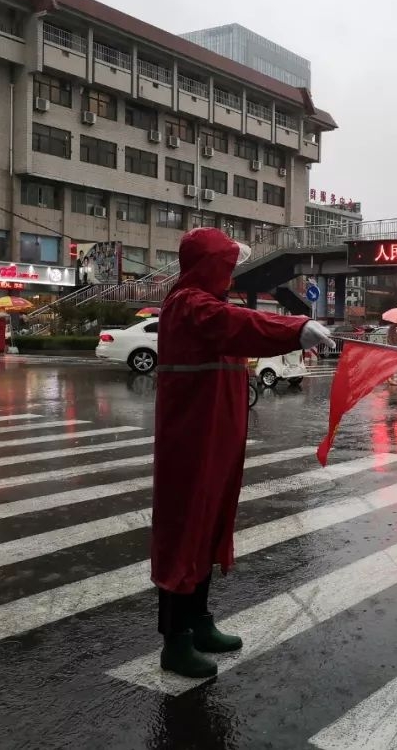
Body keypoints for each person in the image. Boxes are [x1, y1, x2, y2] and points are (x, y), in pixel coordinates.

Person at [150, 227, 333, 679]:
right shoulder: (188, 304)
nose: (231, 275)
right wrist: (297, 328)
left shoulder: (205, 304)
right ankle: (175, 643)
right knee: (184, 533)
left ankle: (198, 622)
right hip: (190, 442)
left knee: (209, 527)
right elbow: (239, 325)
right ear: (209, 266)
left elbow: (235, 327)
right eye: (227, 265)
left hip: (216, 439)